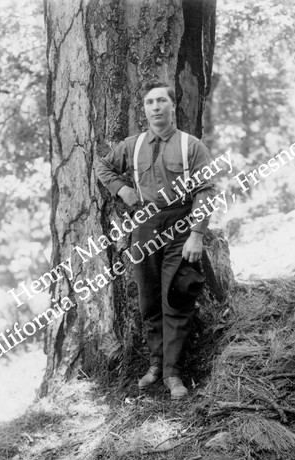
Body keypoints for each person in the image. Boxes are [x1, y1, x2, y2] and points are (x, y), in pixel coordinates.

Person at [96, 80, 215, 399]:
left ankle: (174, 374)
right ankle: (155, 366)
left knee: (176, 299)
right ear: (145, 110)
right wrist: (122, 189)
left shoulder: (192, 146)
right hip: (144, 226)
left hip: (180, 225)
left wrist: (197, 233)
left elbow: (206, 190)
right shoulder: (132, 146)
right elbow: (103, 166)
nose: (157, 107)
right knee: (149, 300)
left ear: (173, 106)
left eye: (162, 101)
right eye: (150, 103)